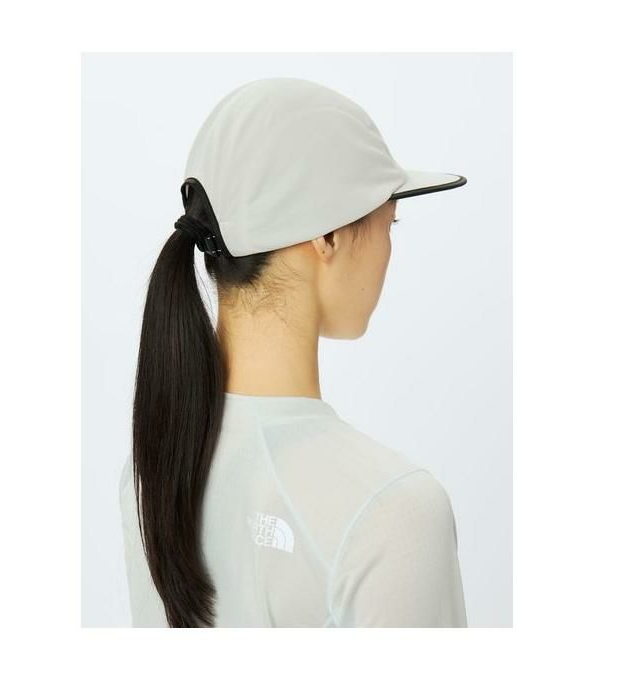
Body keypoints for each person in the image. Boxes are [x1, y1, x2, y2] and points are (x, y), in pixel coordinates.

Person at [119, 77, 468, 627]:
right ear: (327, 236)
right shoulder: (393, 509)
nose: (389, 249)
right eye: (389, 223)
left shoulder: (152, 472)